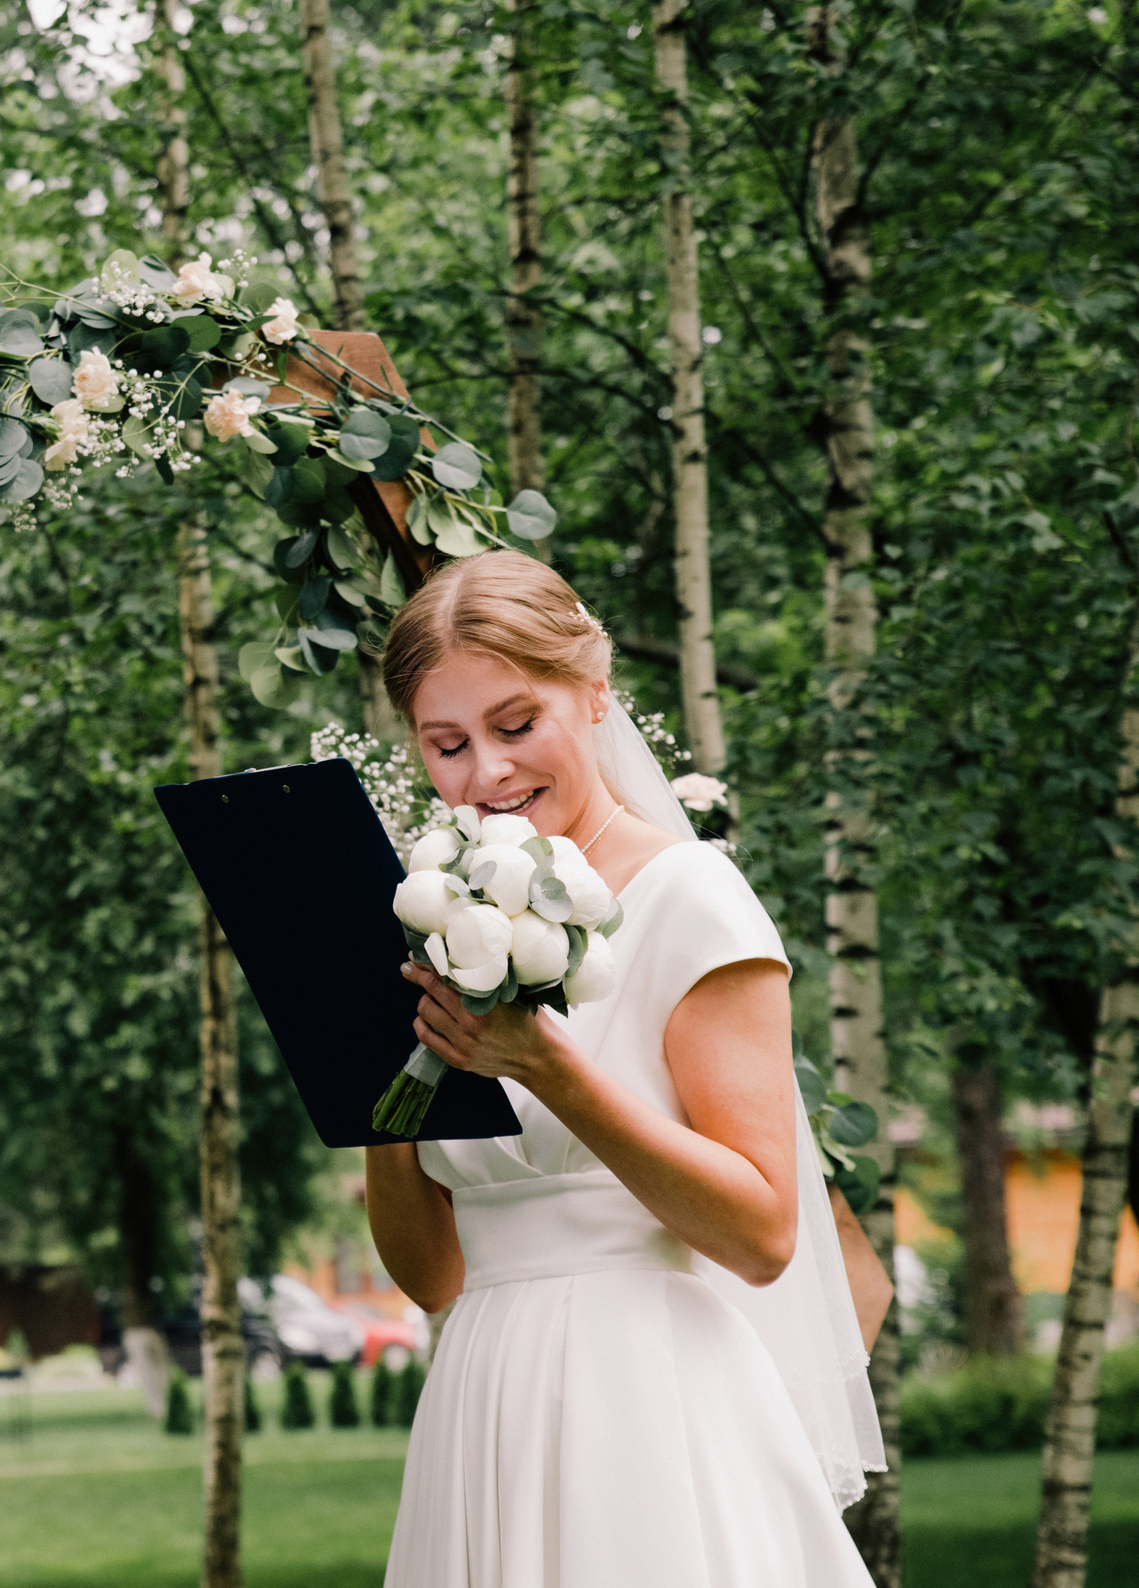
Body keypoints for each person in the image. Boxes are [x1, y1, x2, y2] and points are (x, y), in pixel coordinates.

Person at [365, 550, 883, 1586]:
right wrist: (374, 1067)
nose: (487, 773)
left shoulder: (691, 898)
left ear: (593, 686)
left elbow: (763, 1230)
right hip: (483, 1396)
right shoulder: (443, 918)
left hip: (646, 1402)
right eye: (447, 743)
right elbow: (431, 1274)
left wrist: (554, 1074)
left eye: (517, 725)